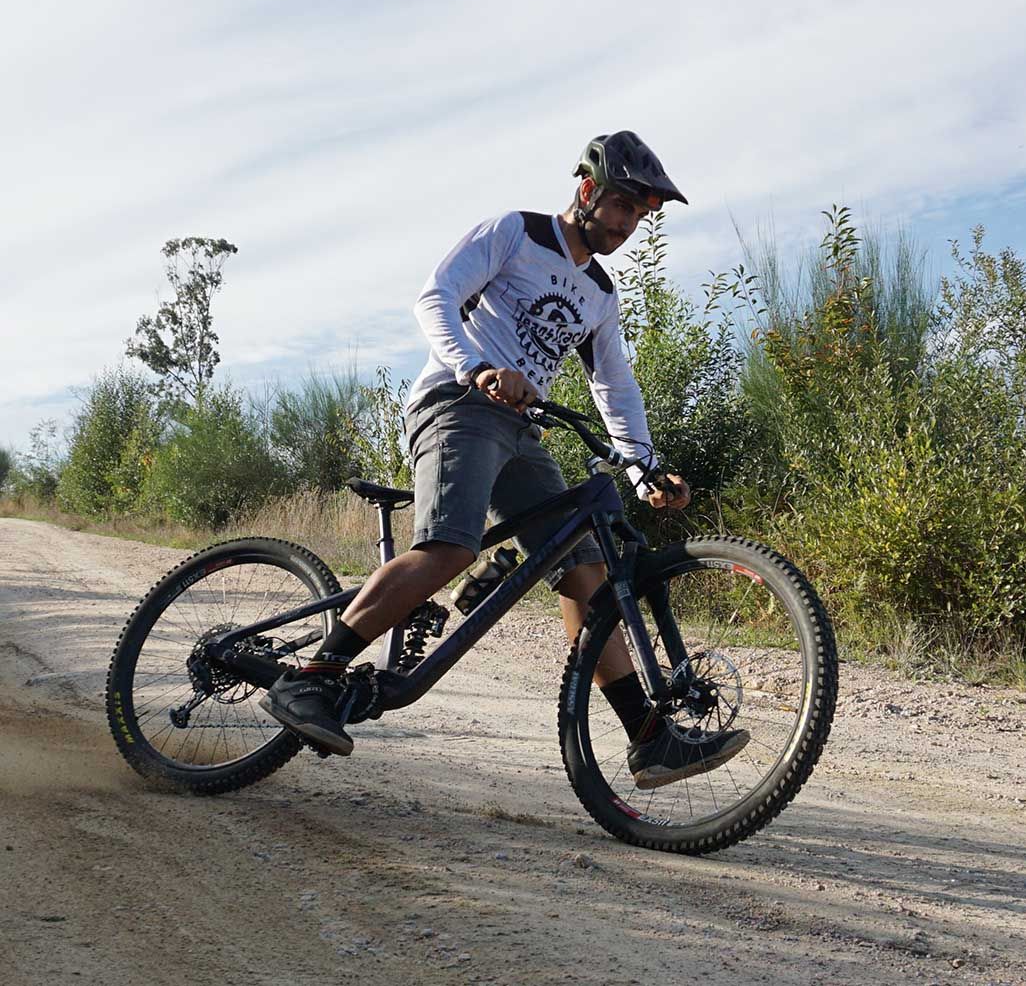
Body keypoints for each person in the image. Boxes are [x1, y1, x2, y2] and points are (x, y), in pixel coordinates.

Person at [261, 131, 749, 788]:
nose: (632, 224)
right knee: (452, 548)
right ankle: (313, 677)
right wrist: (478, 368)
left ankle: (649, 737)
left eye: (642, 214)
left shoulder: (600, 295)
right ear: (587, 192)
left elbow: (614, 387)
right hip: (457, 403)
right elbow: (433, 296)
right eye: (626, 207)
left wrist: (642, 468)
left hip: (523, 430)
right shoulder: (516, 233)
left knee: (585, 572)